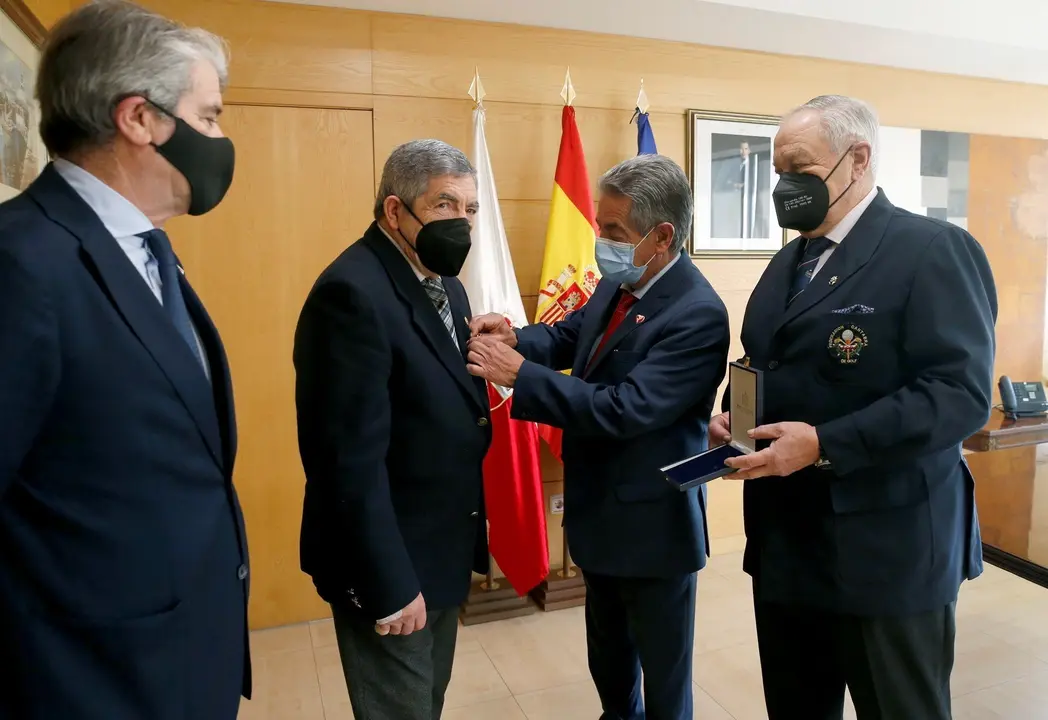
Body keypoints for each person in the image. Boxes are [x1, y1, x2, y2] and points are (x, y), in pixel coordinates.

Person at [0, 2, 248, 719]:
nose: (220, 139)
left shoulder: (145, 250)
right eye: (208, 117)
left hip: (177, 659)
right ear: (139, 119)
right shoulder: (23, 263)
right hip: (88, 681)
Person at [711, 95, 996, 720]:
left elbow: (959, 394)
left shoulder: (932, 250)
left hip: (884, 553)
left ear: (858, 158)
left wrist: (825, 442)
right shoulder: (789, 260)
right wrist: (734, 413)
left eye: (800, 167)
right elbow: (767, 356)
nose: (785, 185)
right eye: (778, 169)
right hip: (789, 546)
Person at [469, 154, 730, 720]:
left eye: (614, 231)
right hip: (600, 517)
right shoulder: (622, 283)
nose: (601, 241)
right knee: (610, 666)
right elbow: (571, 336)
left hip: (653, 528)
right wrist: (517, 338)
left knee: (664, 682)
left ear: (661, 235)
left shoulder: (697, 312)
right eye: (600, 226)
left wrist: (520, 376)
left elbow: (627, 408)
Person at [295, 139, 491, 720]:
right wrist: (390, 583)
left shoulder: (444, 283)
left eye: (471, 209)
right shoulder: (351, 294)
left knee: (425, 703)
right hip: (390, 561)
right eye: (444, 206)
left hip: (439, 549)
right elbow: (345, 461)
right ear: (394, 212)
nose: (462, 223)